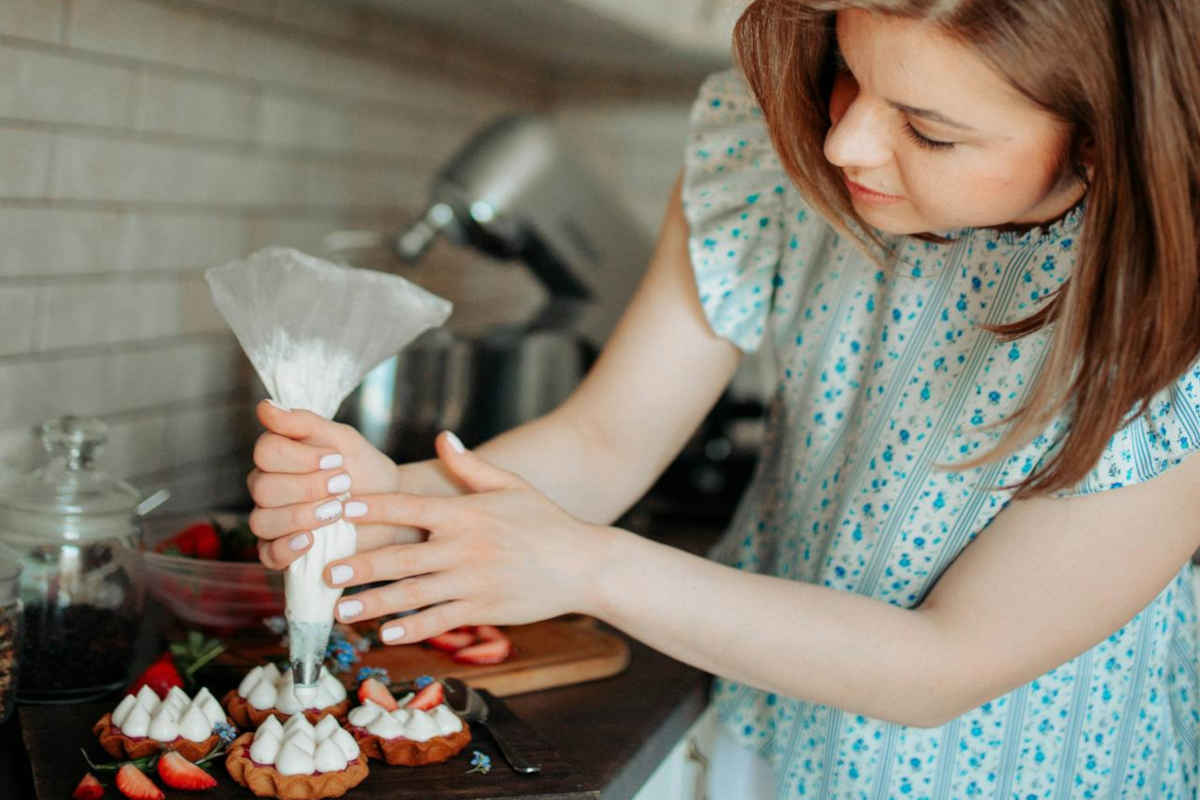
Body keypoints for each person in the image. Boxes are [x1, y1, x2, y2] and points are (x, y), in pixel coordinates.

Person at [243, 0, 1200, 796]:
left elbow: (940, 666)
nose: (846, 139)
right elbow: (606, 440)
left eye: (929, 128)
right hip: (765, 739)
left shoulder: (1177, 321)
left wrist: (591, 568)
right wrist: (385, 505)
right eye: (849, 72)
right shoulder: (779, 158)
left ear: (1100, 144)